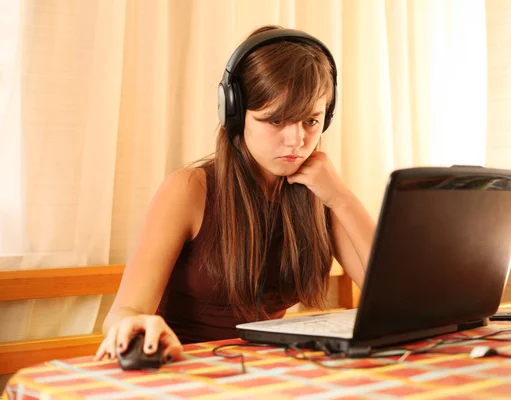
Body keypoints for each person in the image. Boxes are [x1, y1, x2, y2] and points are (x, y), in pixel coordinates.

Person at [94, 25, 375, 363]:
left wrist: (342, 198)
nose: (297, 140)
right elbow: (125, 310)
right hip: (181, 369)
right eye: (276, 121)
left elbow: (394, 297)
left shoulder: (321, 192)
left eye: (311, 121)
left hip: (268, 373)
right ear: (236, 113)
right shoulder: (189, 190)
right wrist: (135, 325)